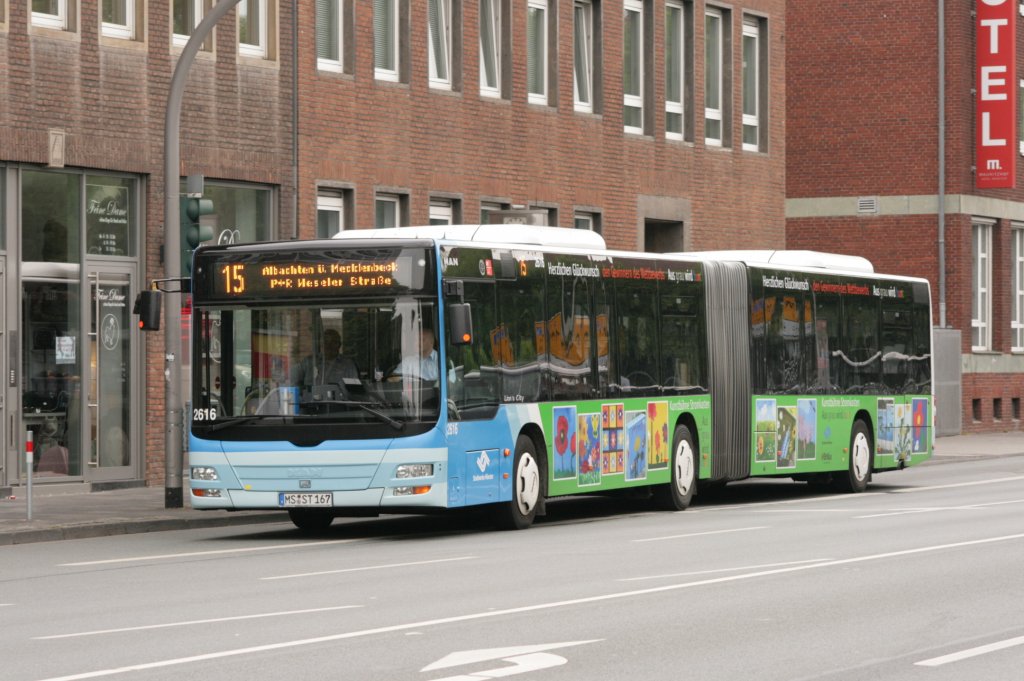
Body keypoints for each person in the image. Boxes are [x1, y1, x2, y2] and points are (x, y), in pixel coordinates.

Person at [292, 329, 359, 389]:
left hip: (337, 399)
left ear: (339, 345)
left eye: (333, 342)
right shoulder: (309, 362)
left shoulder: (348, 365)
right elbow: (293, 381)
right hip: (310, 398)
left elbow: (354, 391)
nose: (329, 345)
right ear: (321, 344)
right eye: (325, 342)